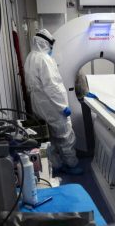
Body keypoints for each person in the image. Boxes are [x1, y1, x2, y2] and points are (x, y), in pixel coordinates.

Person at [24, 29, 83, 175]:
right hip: (51, 104)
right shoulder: (44, 59)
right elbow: (52, 86)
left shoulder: (30, 57)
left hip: (38, 103)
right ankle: (71, 164)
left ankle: (56, 165)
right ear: (45, 43)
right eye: (50, 45)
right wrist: (63, 107)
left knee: (49, 137)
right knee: (65, 135)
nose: (51, 48)